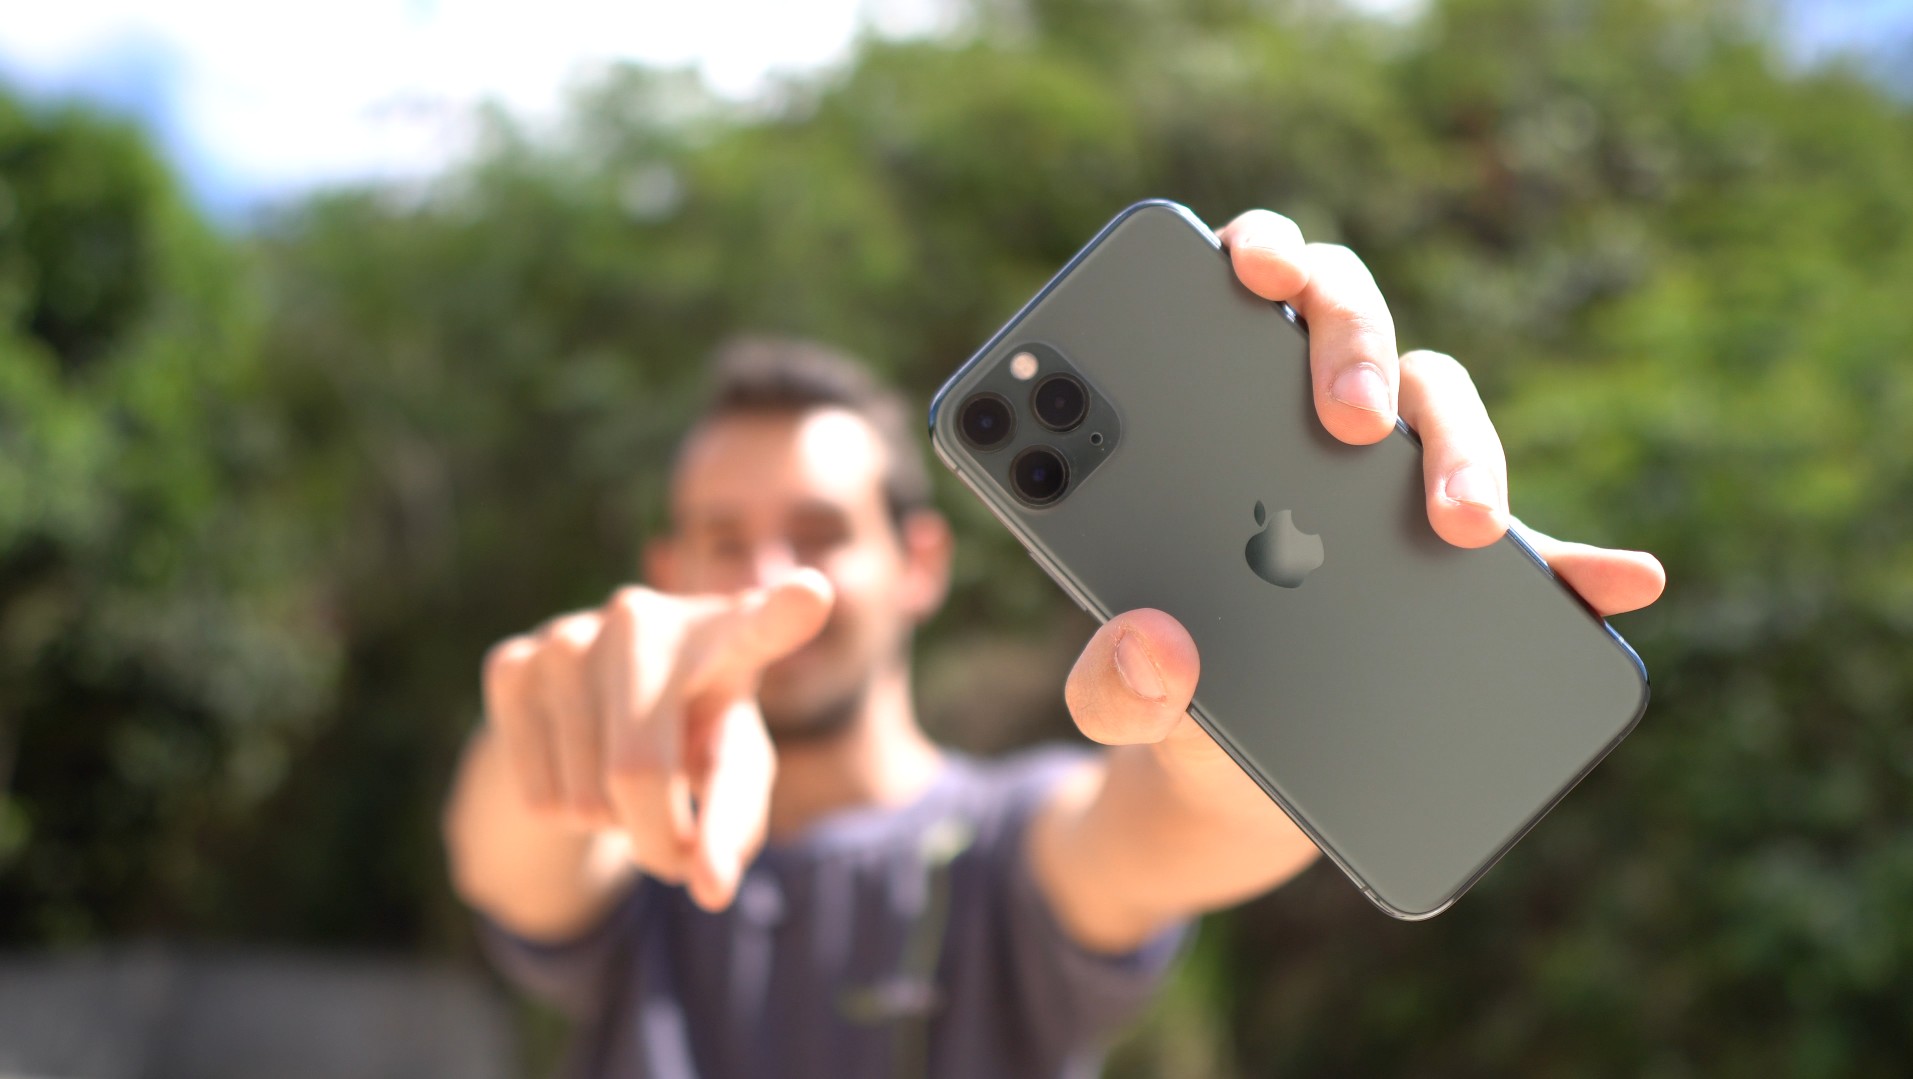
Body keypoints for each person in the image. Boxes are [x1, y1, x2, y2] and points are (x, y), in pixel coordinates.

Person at [442, 210, 1667, 1078]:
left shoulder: (1000, 850)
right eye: (722, 539)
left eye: (816, 532)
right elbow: (508, 851)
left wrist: (1267, 704)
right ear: (663, 573)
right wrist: (542, 718)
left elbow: (1166, 833)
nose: (765, 577)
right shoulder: (641, 862)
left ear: (919, 562)